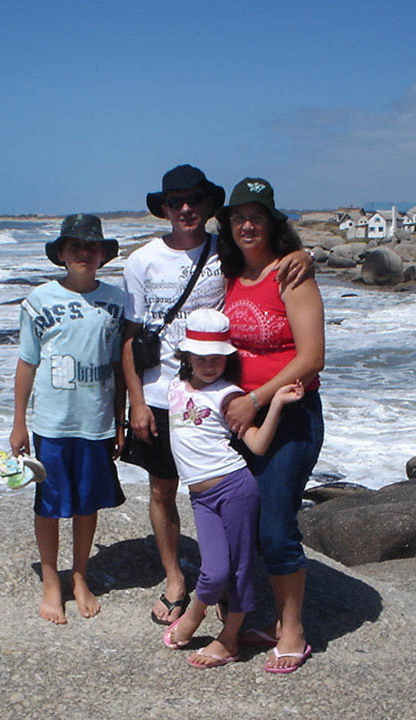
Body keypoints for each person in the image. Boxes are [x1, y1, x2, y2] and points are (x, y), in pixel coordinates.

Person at [121, 164, 315, 625]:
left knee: (231, 493)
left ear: (209, 207)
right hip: (164, 395)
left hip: (224, 396)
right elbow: (128, 335)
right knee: (164, 488)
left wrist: (306, 255)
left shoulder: (221, 253)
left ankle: (233, 594)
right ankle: (176, 580)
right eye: (175, 202)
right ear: (164, 208)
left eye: (194, 200)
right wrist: (136, 402)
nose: (185, 209)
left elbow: (267, 261)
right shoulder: (141, 260)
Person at [218, 177, 325, 674]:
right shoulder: (231, 274)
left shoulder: (293, 276)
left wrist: (256, 398)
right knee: (248, 521)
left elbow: (312, 356)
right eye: (239, 216)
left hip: (290, 418)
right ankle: (272, 621)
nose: (246, 224)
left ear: (271, 222)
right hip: (241, 419)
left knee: (277, 525)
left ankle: (294, 630)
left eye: (256, 216)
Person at [159, 309, 304, 668]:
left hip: (234, 489)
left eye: (217, 359)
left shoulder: (228, 394)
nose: (209, 365)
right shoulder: (175, 387)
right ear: (186, 358)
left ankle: (221, 635)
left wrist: (277, 405)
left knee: (234, 570)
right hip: (200, 497)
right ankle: (208, 623)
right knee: (214, 570)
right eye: (201, 358)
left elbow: (255, 445)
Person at [10, 213, 127, 625]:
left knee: (87, 502)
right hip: (52, 424)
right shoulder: (38, 301)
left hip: (96, 422)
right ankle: (50, 582)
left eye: (92, 247)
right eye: (75, 246)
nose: (84, 253)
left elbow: (118, 364)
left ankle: (79, 575)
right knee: (49, 504)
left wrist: (120, 419)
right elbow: (27, 362)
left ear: (102, 255)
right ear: (61, 254)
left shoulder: (117, 300)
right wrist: (19, 422)